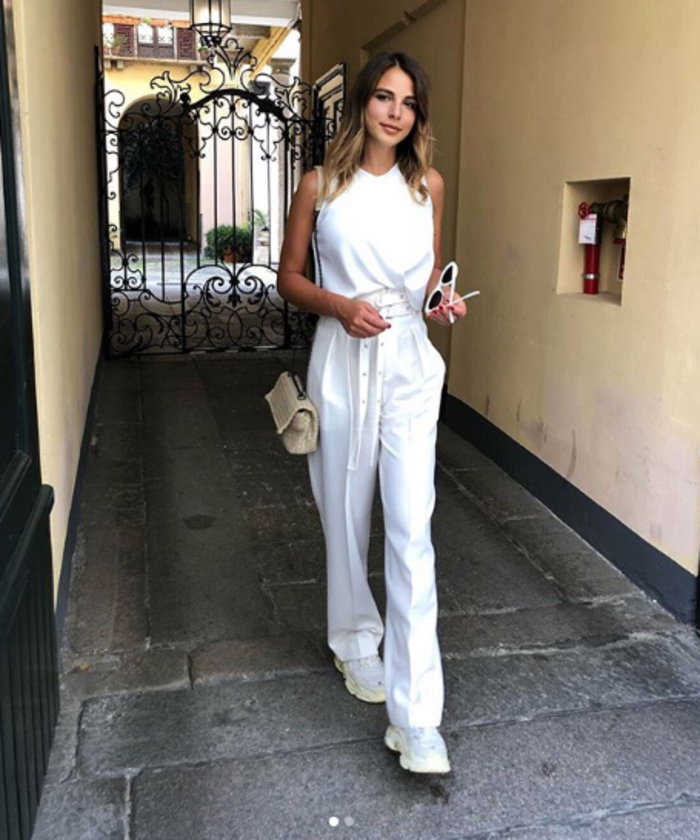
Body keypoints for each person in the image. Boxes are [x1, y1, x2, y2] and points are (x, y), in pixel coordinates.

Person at [277, 51, 468, 775]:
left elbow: (428, 278)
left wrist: (439, 302)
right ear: (361, 103)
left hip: (410, 360)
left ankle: (418, 720)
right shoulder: (320, 185)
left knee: (413, 528)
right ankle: (355, 639)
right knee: (345, 510)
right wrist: (338, 305)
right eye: (385, 97)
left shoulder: (428, 186)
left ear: (419, 115)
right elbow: (289, 278)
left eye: (409, 102)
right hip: (342, 355)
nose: (395, 112)